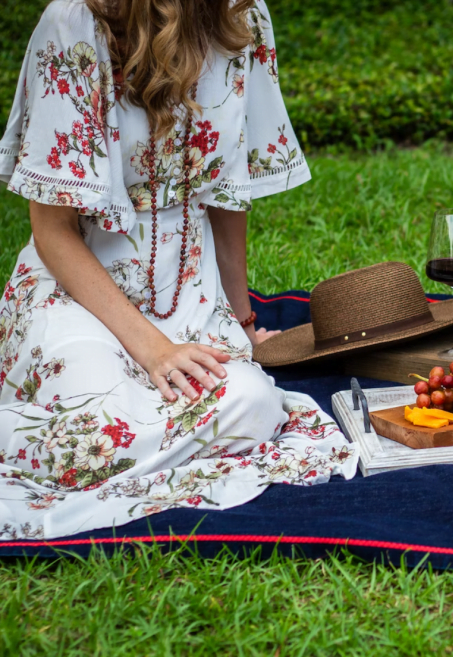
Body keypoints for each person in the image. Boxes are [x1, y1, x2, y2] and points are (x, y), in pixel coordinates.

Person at [0, 0, 358, 540]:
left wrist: (240, 322)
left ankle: (136, 440)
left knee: (256, 404)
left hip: (188, 294)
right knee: (94, 434)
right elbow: (53, 233)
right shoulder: (72, 23)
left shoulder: (241, 16)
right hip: (76, 295)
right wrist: (154, 351)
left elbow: (228, 193)